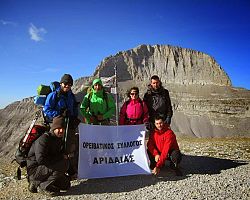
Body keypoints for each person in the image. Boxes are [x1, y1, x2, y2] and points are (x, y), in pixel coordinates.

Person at [43, 73, 80, 176]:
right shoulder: (54, 95)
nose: (67, 86)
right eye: (65, 84)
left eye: (69, 84)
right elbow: (47, 109)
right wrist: (59, 113)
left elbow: (73, 108)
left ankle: (69, 169)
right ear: (61, 83)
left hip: (69, 124)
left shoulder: (71, 96)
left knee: (69, 146)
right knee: (57, 146)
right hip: (57, 124)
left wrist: (74, 116)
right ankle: (57, 170)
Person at [27, 116, 71, 196]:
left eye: (63, 129)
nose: (61, 131)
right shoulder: (44, 139)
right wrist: (61, 157)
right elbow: (41, 160)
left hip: (45, 168)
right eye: (59, 128)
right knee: (64, 163)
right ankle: (41, 185)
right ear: (54, 128)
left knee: (66, 185)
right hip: (35, 170)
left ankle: (38, 183)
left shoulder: (58, 139)